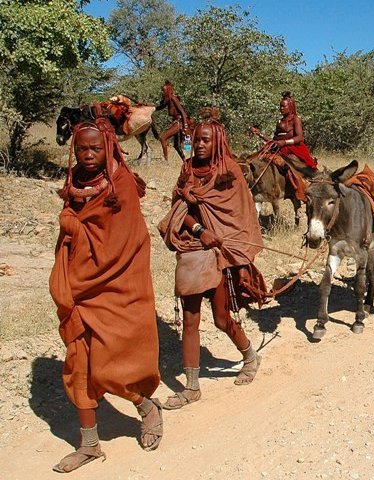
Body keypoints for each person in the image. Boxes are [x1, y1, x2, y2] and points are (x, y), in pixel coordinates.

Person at [49, 117, 162, 473]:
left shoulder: (122, 184)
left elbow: (123, 242)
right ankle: (90, 445)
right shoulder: (76, 181)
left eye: (94, 148)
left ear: (109, 147)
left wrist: (75, 228)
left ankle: (146, 406)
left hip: (114, 285)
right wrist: (72, 226)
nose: (86, 154)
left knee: (112, 363)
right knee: (78, 362)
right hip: (79, 287)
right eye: (80, 148)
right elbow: (77, 223)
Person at [158, 116, 269, 410]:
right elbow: (180, 208)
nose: (200, 144)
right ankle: (191, 387)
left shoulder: (229, 171)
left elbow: (238, 216)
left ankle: (249, 356)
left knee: (221, 319)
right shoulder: (187, 169)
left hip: (220, 256)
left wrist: (226, 244)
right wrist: (200, 230)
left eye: (206, 139)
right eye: (197, 139)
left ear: (217, 141)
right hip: (194, 250)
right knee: (191, 319)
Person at [270, 91, 317, 175]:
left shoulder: (295, 119)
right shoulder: (279, 121)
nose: (281, 108)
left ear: (290, 106)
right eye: (280, 106)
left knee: (293, 164)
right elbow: (275, 139)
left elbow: (299, 138)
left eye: (284, 106)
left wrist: (284, 142)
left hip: (293, 148)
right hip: (278, 148)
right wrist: (259, 134)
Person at [155, 80, 191, 161]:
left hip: (180, 123)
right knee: (177, 146)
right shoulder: (168, 100)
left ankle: (166, 161)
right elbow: (159, 107)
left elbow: (182, 112)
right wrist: (147, 106)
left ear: (168, 90)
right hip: (177, 122)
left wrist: (185, 126)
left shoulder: (174, 99)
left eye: (163, 90)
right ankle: (185, 161)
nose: (162, 92)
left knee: (163, 138)